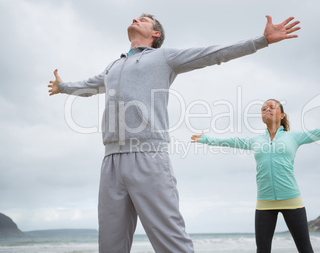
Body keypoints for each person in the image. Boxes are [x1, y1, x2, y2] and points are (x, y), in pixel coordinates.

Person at [47, 14, 301, 253]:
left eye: (144, 19)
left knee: (170, 241)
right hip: (111, 160)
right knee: (110, 244)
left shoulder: (163, 58)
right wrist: (63, 86)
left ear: (155, 33)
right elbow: (89, 85)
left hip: (148, 156)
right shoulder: (113, 66)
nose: (136, 19)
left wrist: (262, 40)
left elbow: (213, 54)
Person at [191, 99, 320, 253]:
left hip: (292, 201)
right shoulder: (255, 141)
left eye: (271, 107)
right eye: (263, 108)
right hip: (265, 203)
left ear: (282, 114)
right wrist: (206, 138)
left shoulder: (294, 137)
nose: (266, 109)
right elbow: (231, 141)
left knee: (305, 249)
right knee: (262, 250)